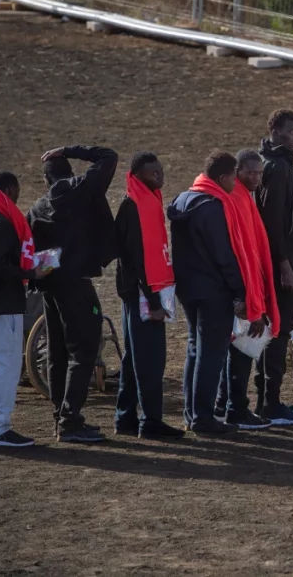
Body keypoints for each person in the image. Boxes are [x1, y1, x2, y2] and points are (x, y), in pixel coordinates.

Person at [29, 145, 119, 444]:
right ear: (70, 173)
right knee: (84, 351)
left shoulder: (37, 207)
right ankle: (70, 421)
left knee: (57, 352)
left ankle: (61, 415)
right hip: (76, 286)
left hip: (51, 285)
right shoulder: (78, 189)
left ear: (45, 180)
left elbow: (34, 250)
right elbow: (108, 156)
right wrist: (70, 149)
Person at [0, 171, 51, 447]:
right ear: (10, 189)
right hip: (4, 304)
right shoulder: (1, 223)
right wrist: (29, 273)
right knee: (6, 368)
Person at [168, 151, 246, 436]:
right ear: (223, 177)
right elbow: (224, 255)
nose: (236, 183)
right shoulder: (212, 207)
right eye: (234, 177)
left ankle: (191, 414)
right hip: (213, 291)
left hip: (188, 288)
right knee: (211, 354)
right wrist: (240, 290)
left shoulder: (182, 200)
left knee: (194, 348)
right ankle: (203, 417)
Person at [113, 152, 184, 439]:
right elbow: (138, 260)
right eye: (154, 174)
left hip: (137, 294)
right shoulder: (134, 208)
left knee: (134, 358)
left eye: (161, 172)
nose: (160, 177)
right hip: (144, 295)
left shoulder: (143, 203)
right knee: (150, 360)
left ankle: (125, 418)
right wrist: (154, 304)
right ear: (137, 175)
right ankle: (150, 421)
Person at [214, 149, 280, 431]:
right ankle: (236, 408)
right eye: (249, 172)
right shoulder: (237, 197)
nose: (255, 177)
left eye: (259, 173)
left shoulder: (242, 195)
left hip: (240, 289)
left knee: (236, 348)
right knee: (242, 348)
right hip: (242, 291)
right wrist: (254, 302)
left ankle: (224, 402)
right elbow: (244, 255)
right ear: (236, 171)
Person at [256, 109, 293, 425]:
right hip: (280, 264)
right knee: (277, 331)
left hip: (278, 261)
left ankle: (267, 401)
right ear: (275, 132)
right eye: (291, 131)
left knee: (272, 332)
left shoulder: (275, 163)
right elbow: (273, 223)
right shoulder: (277, 169)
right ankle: (270, 404)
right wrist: (284, 265)